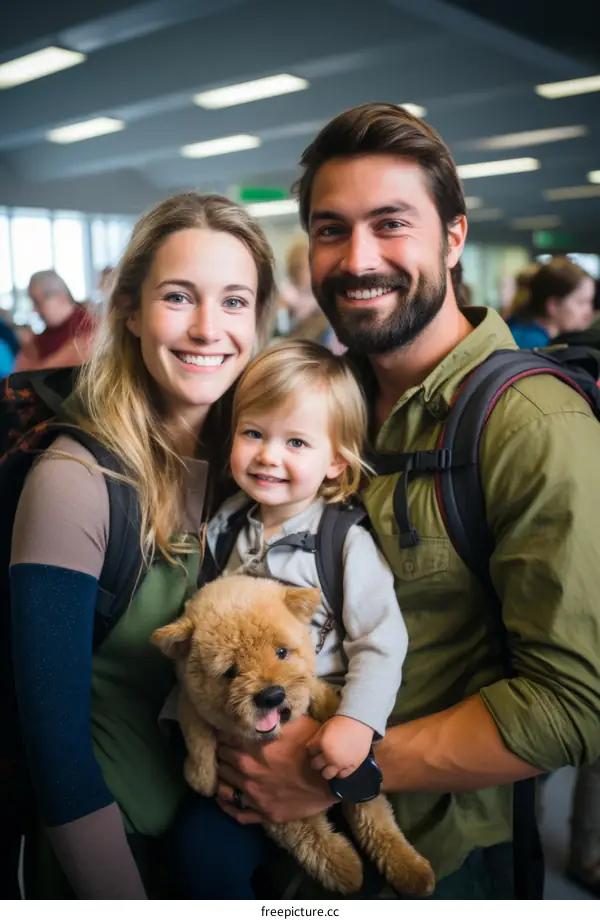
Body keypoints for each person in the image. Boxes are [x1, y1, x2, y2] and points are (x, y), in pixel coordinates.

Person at [212, 103, 600, 899]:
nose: (358, 259)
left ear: (453, 238)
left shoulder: (531, 424)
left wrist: (334, 771)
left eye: (391, 224)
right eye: (330, 229)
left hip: (437, 863)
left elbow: (572, 704)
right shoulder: (330, 404)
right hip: (281, 849)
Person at [9, 192, 276, 898]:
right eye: (179, 297)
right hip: (108, 861)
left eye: (234, 302)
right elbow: (58, 760)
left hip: (217, 849)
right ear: (128, 308)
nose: (207, 329)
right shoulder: (74, 482)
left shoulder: (259, 472)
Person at [167, 339, 407, 898]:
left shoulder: (343, 540)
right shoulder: (225, 527)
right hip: (239, 731)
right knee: (201, 856)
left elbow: (381, 640)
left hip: (321, 725)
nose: (269, 456)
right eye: (254, 433)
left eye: (295, 441)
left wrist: (358, 723)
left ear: (335, 462)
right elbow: (202, 646)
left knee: (348, 872)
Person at [14, 270, 97, 371]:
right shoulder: (37, 344)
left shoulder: (92, 332)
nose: (35, 310)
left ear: (61, 297)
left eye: (38, 302)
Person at [506, 258, 595, 349]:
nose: (588, 311)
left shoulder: (526, 333)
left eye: (590, 301)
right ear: (553, 305)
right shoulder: (533, 346)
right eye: (581, 302)